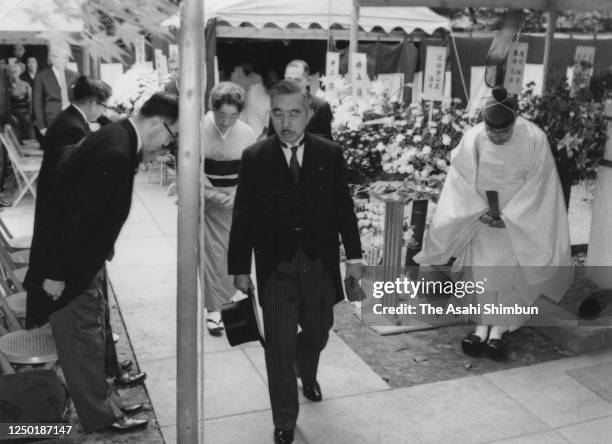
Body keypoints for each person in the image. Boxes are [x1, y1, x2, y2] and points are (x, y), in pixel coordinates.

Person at [228, 80, 363, 444]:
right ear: (269, 113)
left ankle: (307, 368)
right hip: (276, 267)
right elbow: (243, 216)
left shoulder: (329, 153)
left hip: (318, 263)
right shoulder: (255, 157)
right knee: (280, 345)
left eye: (294, 113)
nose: (285, 121)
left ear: (308, 114)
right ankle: (285, 419)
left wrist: (355, 257)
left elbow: (343, 208)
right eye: (278, 112)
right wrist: (239, 267)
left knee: (318, 330)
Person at [41, 92, 178, 433]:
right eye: (171, 139)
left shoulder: (119, 137)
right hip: (69, 264)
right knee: (82, 342)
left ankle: (107, 404)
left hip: (83, 258)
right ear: (158, 123)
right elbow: (75, 217)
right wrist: (56, 274)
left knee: (94, 333)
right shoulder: (116, 150)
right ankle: (102, 418)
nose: (167, 148)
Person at [414, 90, 573, 361]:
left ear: (514, 121)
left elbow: (540, 185)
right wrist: (478, 211)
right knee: (483, 276)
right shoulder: (474, 138)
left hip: (518, 222)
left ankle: (498, 331)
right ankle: (480, 328)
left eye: (504, 131)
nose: (497, 136)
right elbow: (460, 179)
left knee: (509, 279)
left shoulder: (534, 138)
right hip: (482, 218)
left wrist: (510, 216)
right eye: (492, 130)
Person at [202, 82, 255, 335]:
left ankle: (233, 302)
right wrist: (211, 195)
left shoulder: (245, 132)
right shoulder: (200, 128)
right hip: (208, 201)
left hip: (236, 201)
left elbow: (252, 170)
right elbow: (191, 169)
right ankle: (213, 308)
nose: (226, 121)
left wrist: (237, 195)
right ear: (213, 109)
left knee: (236, 253)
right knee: (213, 254)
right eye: (222, 115)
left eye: (233, 116)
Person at [267, 60, 333, 140]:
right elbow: (271, 140)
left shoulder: (320, 107)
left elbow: (327, 144)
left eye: (297, 80)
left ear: (308, 80)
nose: (292, 84)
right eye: (289, 79)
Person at [32, 45, 79, 140]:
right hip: (51, 121)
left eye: (67, 57)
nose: (65, 60)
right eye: (62, 57)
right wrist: (41, 126)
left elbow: (79, 98)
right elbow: (37, 103)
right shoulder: (41, 77)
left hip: (72, 121)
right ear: (52, 59)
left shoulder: (75, 76)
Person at [241, 67, 279, 140]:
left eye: (275, 83)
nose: (273, 87)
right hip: (252, 134)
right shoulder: (253, 92)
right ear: (263, 81)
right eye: (270, 84)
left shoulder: (283, 93)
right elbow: (252, 120)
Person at [5, 62, 34, 140]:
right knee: (14, 139)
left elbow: (30, 102)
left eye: (15, 72)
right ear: (8, 73)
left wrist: (29, 115)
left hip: (25, 116)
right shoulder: (6, 86)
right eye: (11, 72)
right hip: (12, 116)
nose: (14, 74)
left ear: (19, 72)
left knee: (28, 138)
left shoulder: (25, 85)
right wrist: (9, 116)